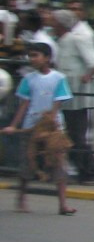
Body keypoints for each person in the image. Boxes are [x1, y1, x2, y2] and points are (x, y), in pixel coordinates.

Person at [1, 42, 76, 215]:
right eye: (31, 56)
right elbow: (24, 104)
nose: (32, 59)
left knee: (59, 164)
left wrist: (50, 120)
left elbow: (57, 102)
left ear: (47, 58)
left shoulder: (59, 78)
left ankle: (63, 204)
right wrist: (14, 125)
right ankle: (21, 198)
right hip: (31, 126)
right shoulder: (29, 79)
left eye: (36, 55)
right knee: (27, 163)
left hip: (53, 129)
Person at [52, 9, 94, 184]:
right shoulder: (61, 42)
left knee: (77, 136)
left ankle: (92, 172)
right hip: (67, 96)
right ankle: (82, 170)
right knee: (72, 136)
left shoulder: (77, 39)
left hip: (79, 97)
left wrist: (88, 75)